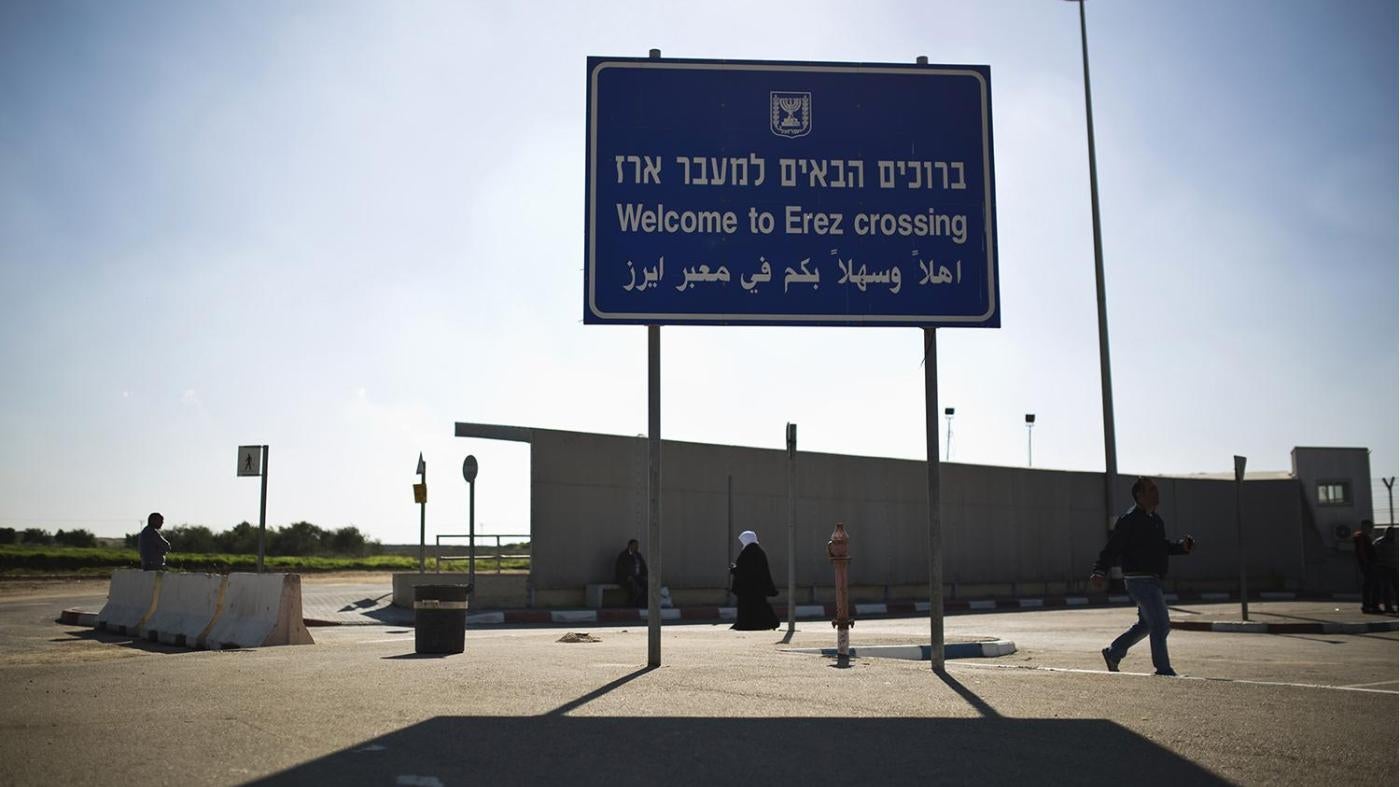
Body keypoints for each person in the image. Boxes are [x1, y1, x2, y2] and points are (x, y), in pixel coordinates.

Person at [1091, 477, 1195, 676]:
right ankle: (1163, 669)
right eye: (1152, 489)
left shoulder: (1155, 520)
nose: (1157, 492)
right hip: (1139, 580)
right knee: (1161, 623)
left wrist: (1181, 547)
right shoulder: (1129, 520)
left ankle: (1113, 653)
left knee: (1146, 624)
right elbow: (1112, 548)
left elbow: (1161, 547)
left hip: (1153, 579)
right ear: (1140, 495)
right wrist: (1099, 570)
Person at [729, 530, 779, 631]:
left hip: (749, 588)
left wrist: (734, 569)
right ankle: (767, 623)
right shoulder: (758, 551)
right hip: (757, 587)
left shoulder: (749, 552)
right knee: (759, 606)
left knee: (749, 607)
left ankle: (748, 624)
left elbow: (746, 570)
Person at [1353, 523, 1381, 613]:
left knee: (1371, 585)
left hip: (1369, 564)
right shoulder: (1361, 537)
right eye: (1370, 528)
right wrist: (1366, 563)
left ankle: (1370, 606)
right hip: (1368, 564)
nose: (1371, 530)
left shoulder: (1364, 537)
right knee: (1371, 585)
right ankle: (1370, 606)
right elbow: (1362, 551)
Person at [613, 538, 648, 607]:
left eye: (637, 545)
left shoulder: (638, 555)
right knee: (633, 587)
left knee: (647, 585)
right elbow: (620, 568)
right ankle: (631, 604)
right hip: (626, 578)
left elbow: (644, 567)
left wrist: (646, 575)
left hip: (637, 577)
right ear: (630, 545)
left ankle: (643, 603)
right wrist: (627, 576)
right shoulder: (624, 555)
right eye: (635, 545)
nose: (637, 547)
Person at [1374, 526, 1398, 615]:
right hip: (1384, 567)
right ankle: (1388, 607)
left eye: (1392, 532)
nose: (1391, 534)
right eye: (1389, 532)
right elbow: (1375, 554)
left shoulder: (1394, 542)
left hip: (1393, 567)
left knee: (1397, 588)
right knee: (1386, 588)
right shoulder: (1380, 542)